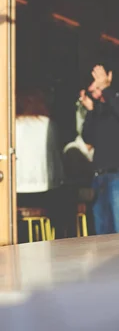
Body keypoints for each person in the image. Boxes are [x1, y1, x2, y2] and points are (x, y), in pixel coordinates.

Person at [80, 64, 119, 234]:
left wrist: (106, 88)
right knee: (101, 232)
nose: (95, 91)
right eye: (93, 88)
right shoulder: (97, 110)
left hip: (118, 176)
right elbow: (87, 137)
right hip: (99, 177)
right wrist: (90, 110)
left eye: (98, 86)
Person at [15, 89, 66, 240]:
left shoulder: (14, 124)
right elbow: (55, 156)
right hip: (45, 187)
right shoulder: (48, 123)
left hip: (19, 187)